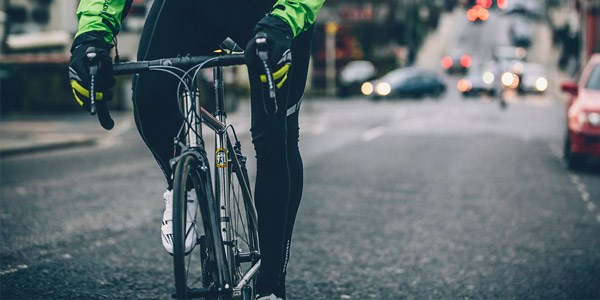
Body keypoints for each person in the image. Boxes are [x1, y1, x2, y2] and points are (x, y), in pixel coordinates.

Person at [68, 1, 325, 299]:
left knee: (275, 137)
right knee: (149, 96)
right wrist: (92, 35)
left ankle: (270, 285)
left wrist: (285, 21)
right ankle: (184, 183)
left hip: (274, 9)